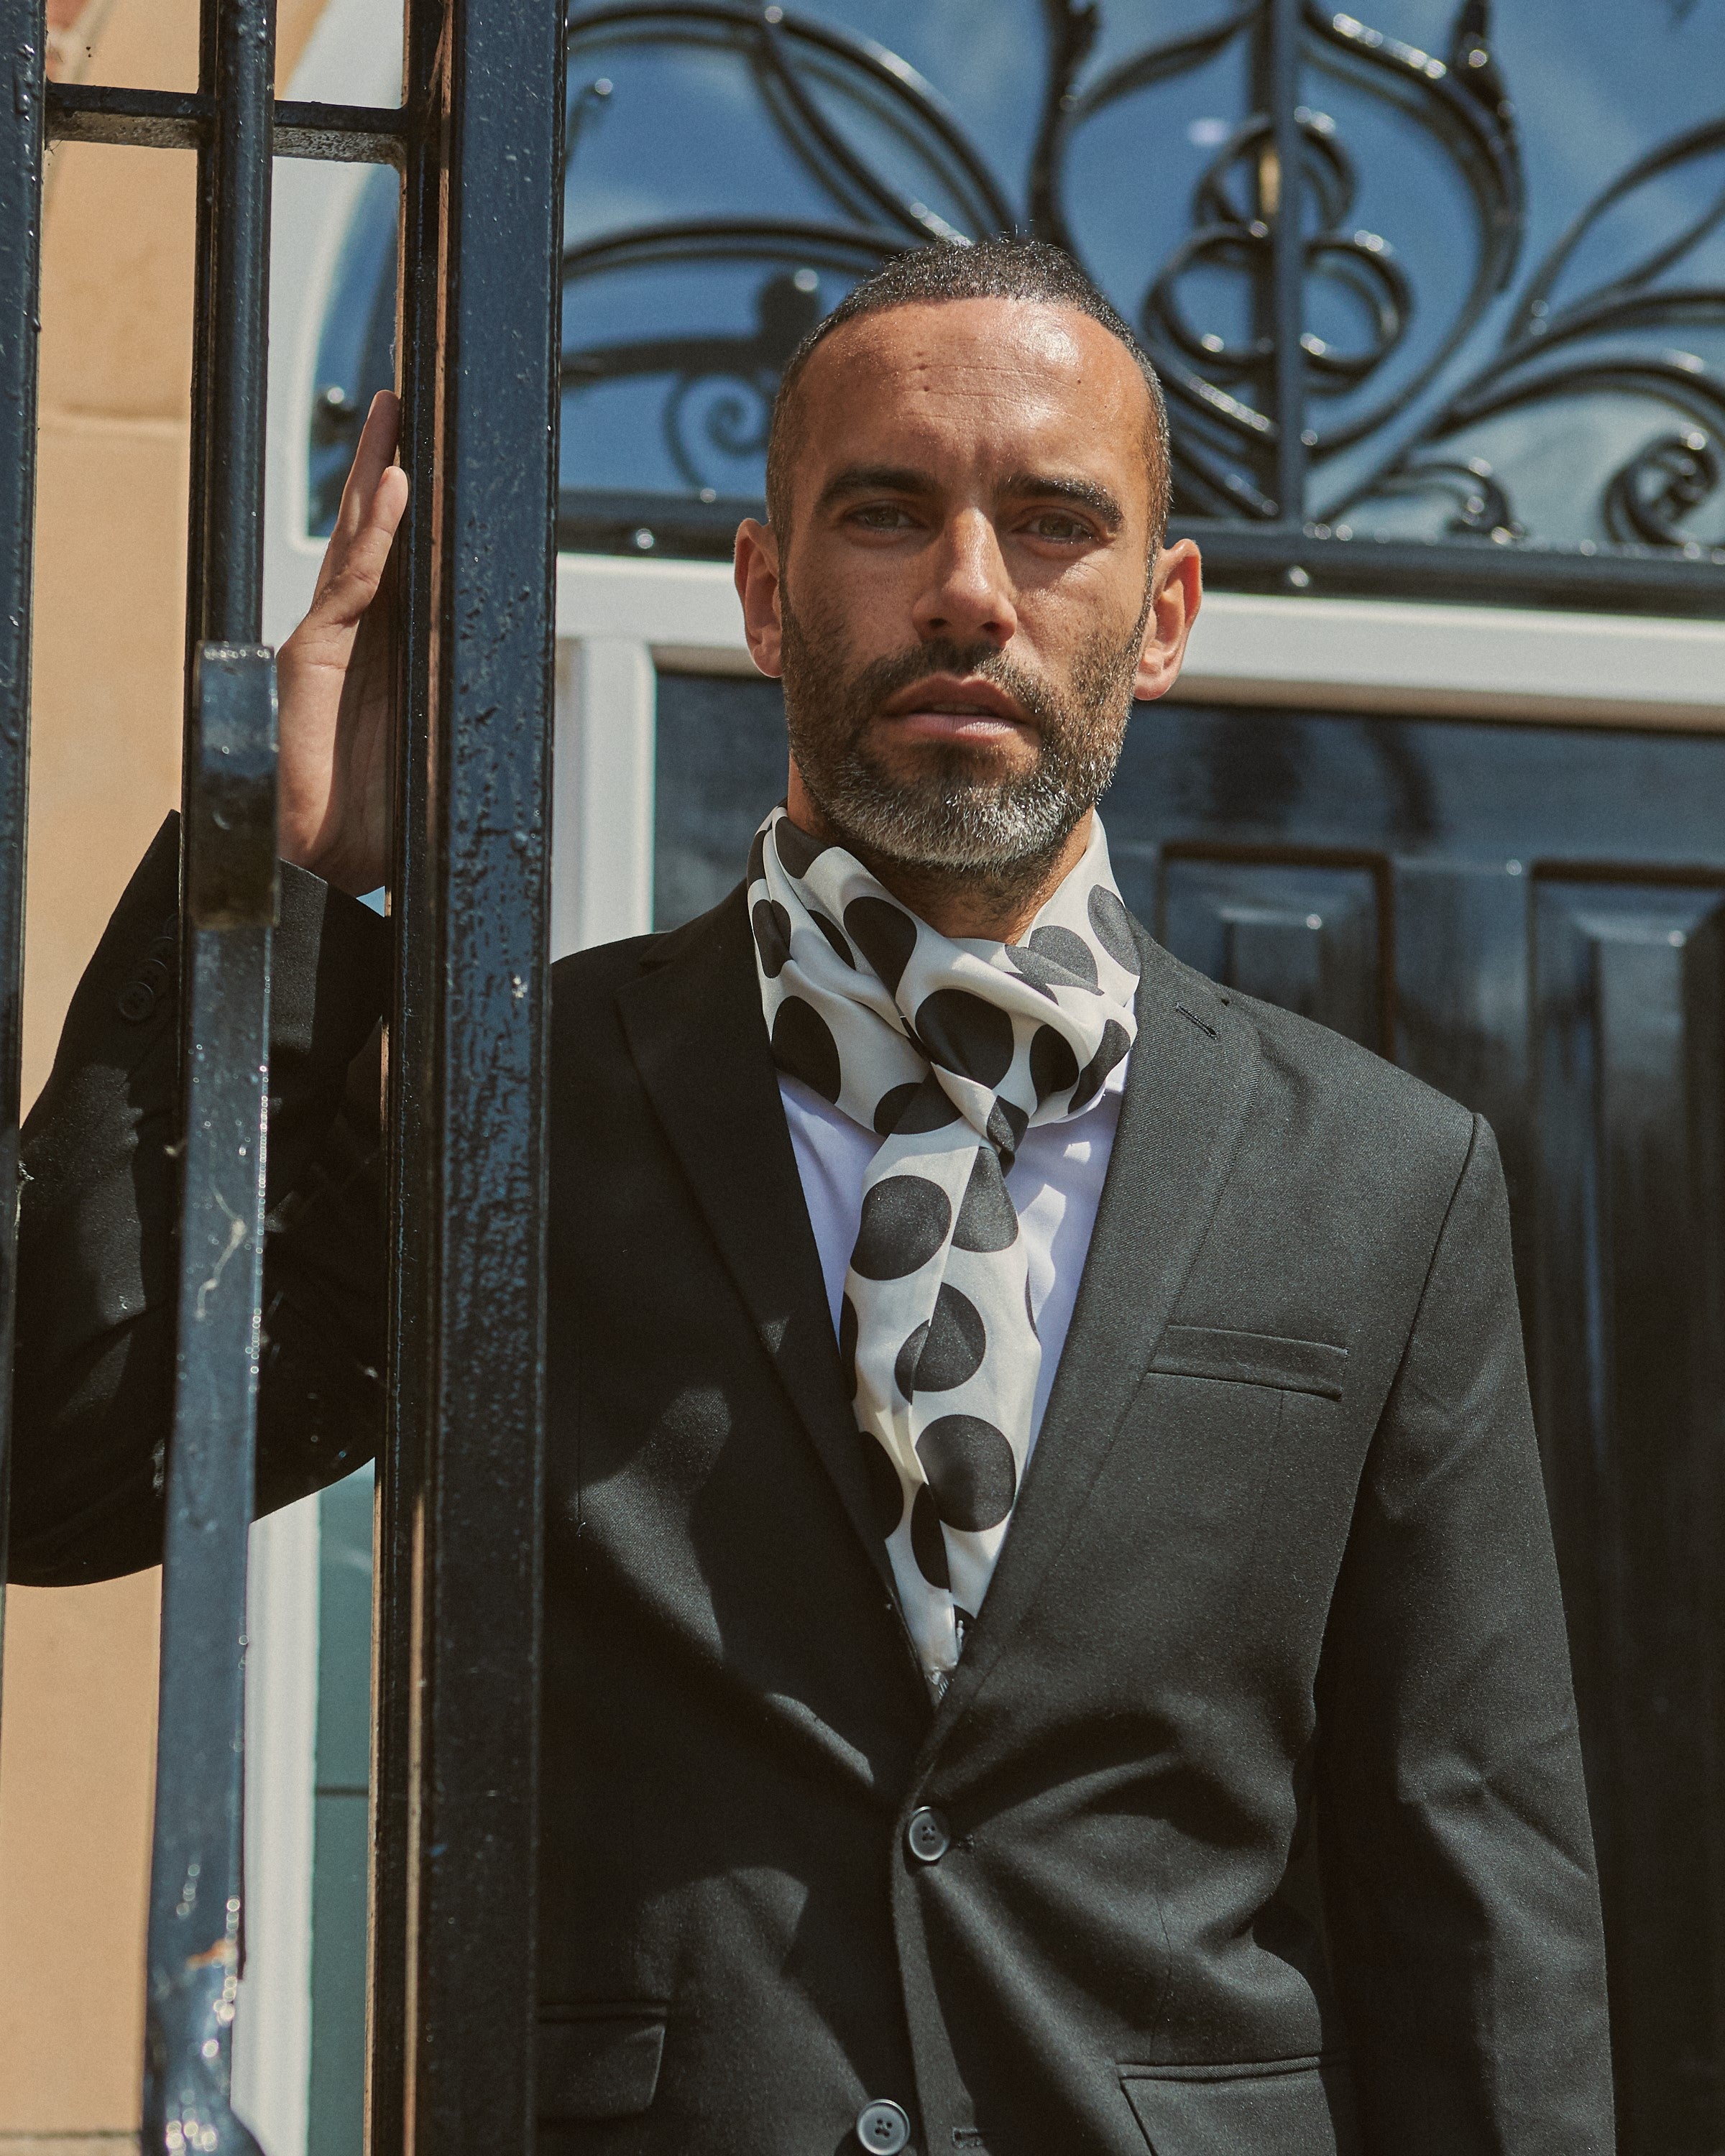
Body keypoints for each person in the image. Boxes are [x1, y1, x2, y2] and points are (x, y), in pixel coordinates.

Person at [11, 239, 1614, 2155]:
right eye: (886, 515)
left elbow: (1480, 1894)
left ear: (1164, 612)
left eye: (1053, 526)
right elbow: (62, 1457)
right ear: (766, 594)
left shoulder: (1385, 1177)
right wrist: (263, 871)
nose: (967, 593)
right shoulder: (507, 1098)